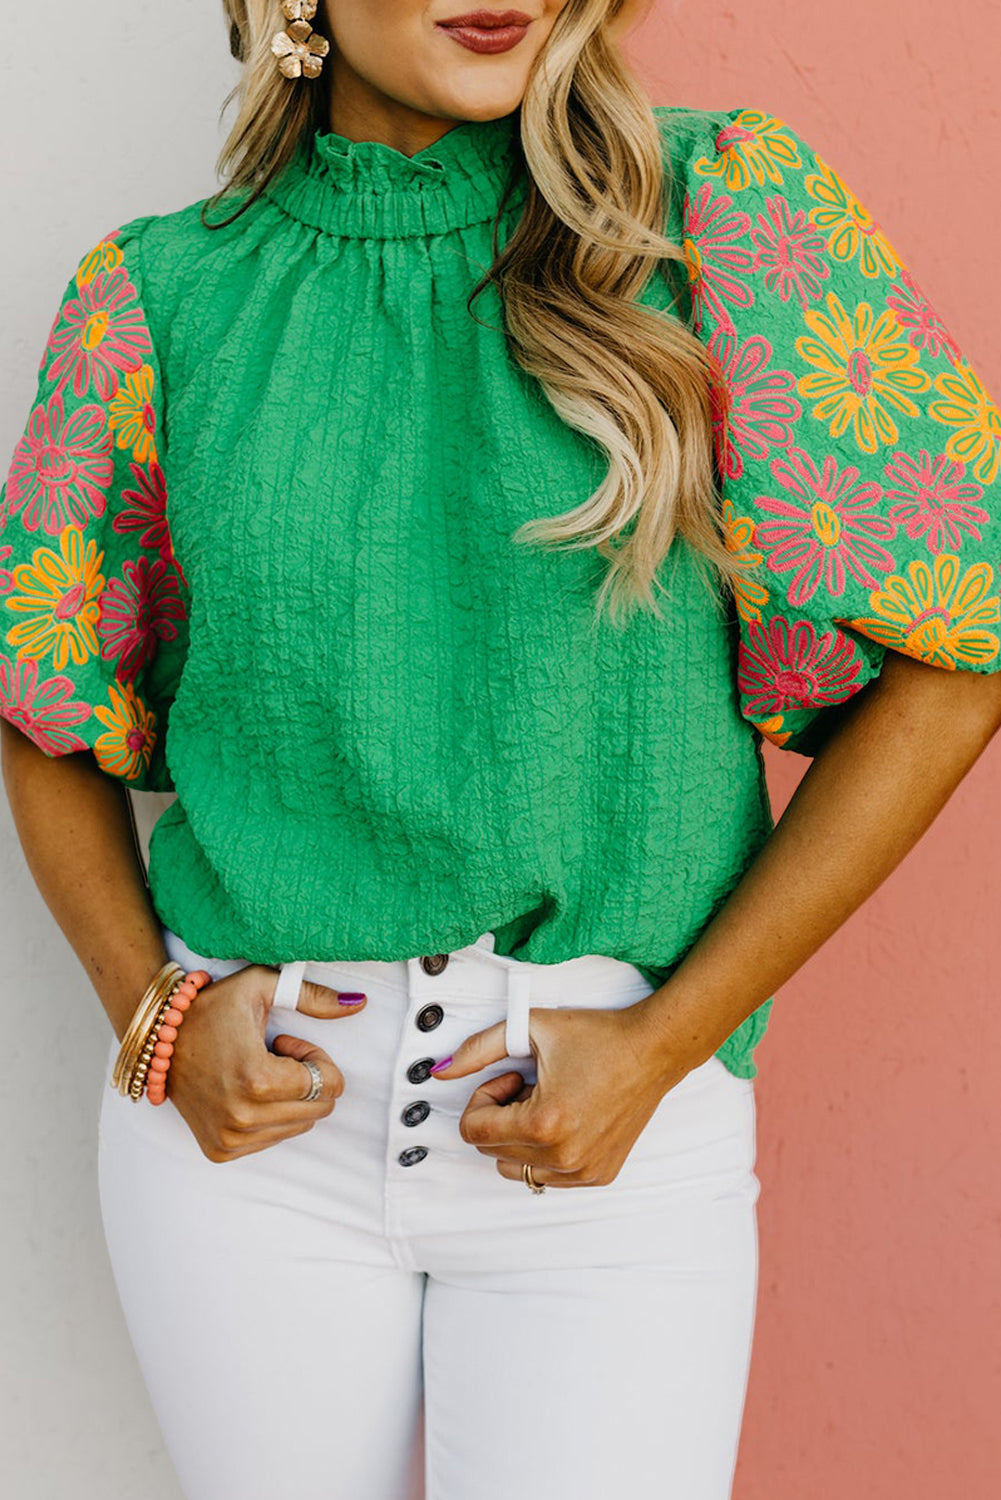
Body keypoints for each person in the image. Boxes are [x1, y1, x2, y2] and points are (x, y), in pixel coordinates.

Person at [3, 2, 1001, 1497]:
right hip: (249, 1149)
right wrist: (150, 1011)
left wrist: (665, 1048)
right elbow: (49, 703)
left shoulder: (717, 213)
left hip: (607, 1127)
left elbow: (957, 645)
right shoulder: (154, 297)